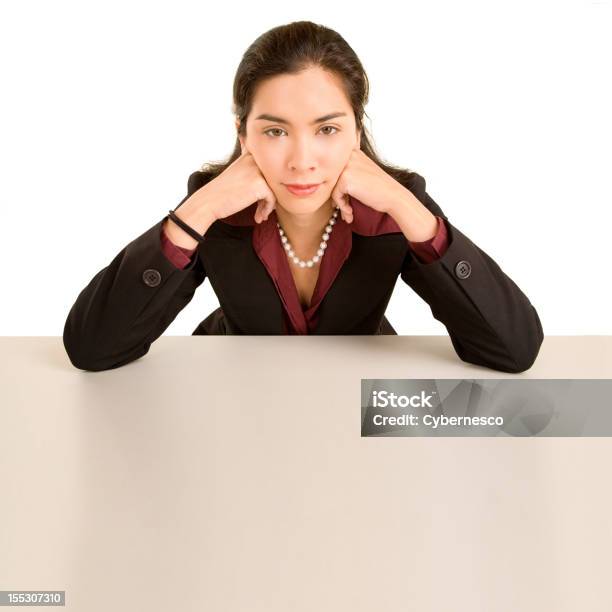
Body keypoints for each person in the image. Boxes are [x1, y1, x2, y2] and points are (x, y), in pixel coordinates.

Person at [63, 20, 543, 373]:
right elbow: (91, 348)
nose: (302, 160)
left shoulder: (395, 209)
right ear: (243, 133)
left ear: (357, 131)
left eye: (327, 129)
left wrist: (409, 212)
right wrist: (200, 210)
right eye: (274, 131)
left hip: (358, 406)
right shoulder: (213, 211)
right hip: (235, 398)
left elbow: (514, 349)